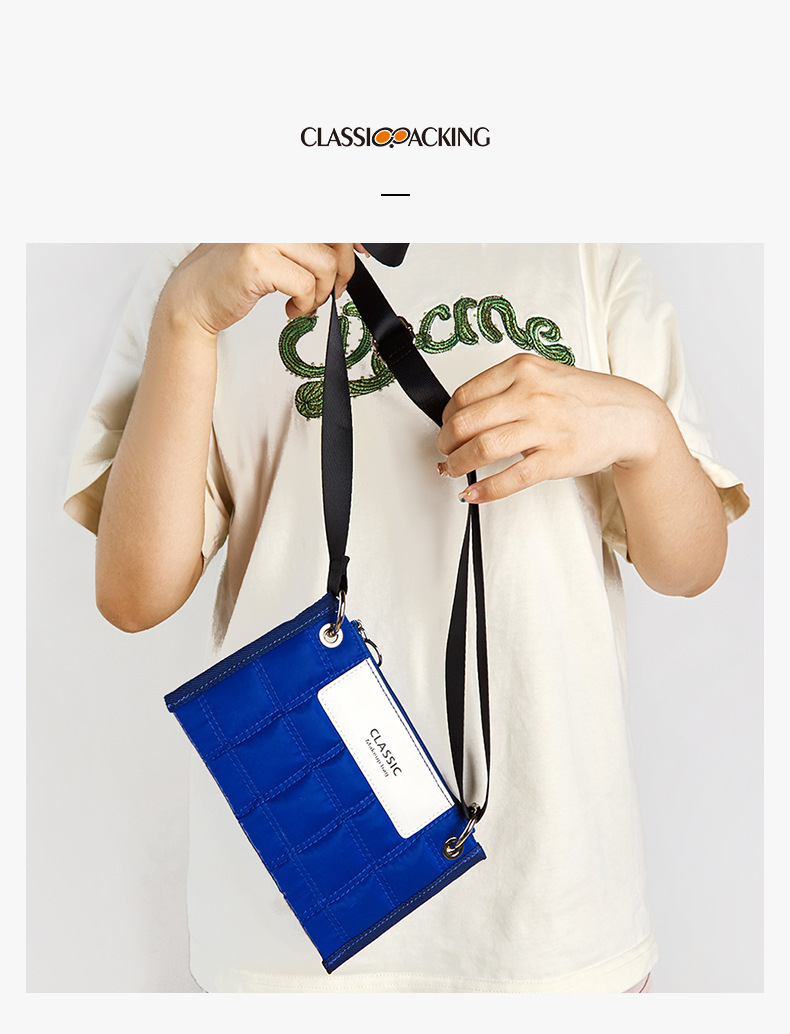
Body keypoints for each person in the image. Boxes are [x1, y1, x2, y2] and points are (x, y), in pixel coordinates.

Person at [64, 243, 749, 993]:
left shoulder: (584, 251)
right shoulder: (205, 258)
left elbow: (688, 567)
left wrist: (646, 430)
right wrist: (186, 315)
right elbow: (132, 594)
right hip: (298, 904)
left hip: (552, 912)